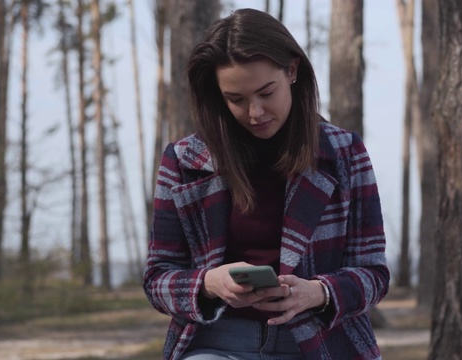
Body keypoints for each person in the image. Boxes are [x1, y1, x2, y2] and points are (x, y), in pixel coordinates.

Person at [143, 8, 389, 360]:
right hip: (217, 341)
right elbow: (157, 279)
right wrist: (210, 283)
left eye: (265, 93)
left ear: (291, 71)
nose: (254, 112)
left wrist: (318, 292)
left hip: (321, 344)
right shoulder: (185, 161)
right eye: (236, 100)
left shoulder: (344, 153)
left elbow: (375, 274)